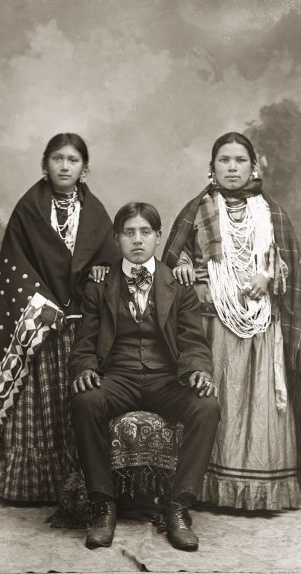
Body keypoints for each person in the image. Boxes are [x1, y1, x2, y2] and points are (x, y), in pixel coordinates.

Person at [162, 131, 301, 510]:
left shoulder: (270, 212)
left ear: (253, 166)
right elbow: (176, 257)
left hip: (261, 327)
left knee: (259, 407)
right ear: (211, 168)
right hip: (213, 328)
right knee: (217, 403)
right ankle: (205, 489)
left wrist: (267, 276)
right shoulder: (198, 210)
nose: (231, 167)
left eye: (239, 160)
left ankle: (258, 492)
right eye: (224, 160)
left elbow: (285, 264)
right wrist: (184, 268)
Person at [0, 133, 120, 501]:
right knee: (36, 406)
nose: (65, 166)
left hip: (80, 327)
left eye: (73, 160)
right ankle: (31, 486)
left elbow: (109, 261)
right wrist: (44, 304)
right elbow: (14, 266)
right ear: (45, 164)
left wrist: (99, 275)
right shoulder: (29, 208)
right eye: (57, 159)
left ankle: (75, 485)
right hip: (38, 325)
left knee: (74, 403)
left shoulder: (96, 212)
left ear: (85, 169)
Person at [69, 202, 220, 550]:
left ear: (158, 237)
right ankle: (103, 507)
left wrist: (198, 371)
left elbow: (193, 341)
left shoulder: (178, 284)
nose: (137, 240)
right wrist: (85, 369)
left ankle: (178, 508)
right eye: (129, 233)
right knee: (85, 400)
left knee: (207, 406)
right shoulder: (100, 284)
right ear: (117, 238)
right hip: (117, 377)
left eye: (145, 232)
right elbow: (85, 344)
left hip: (166, 380)